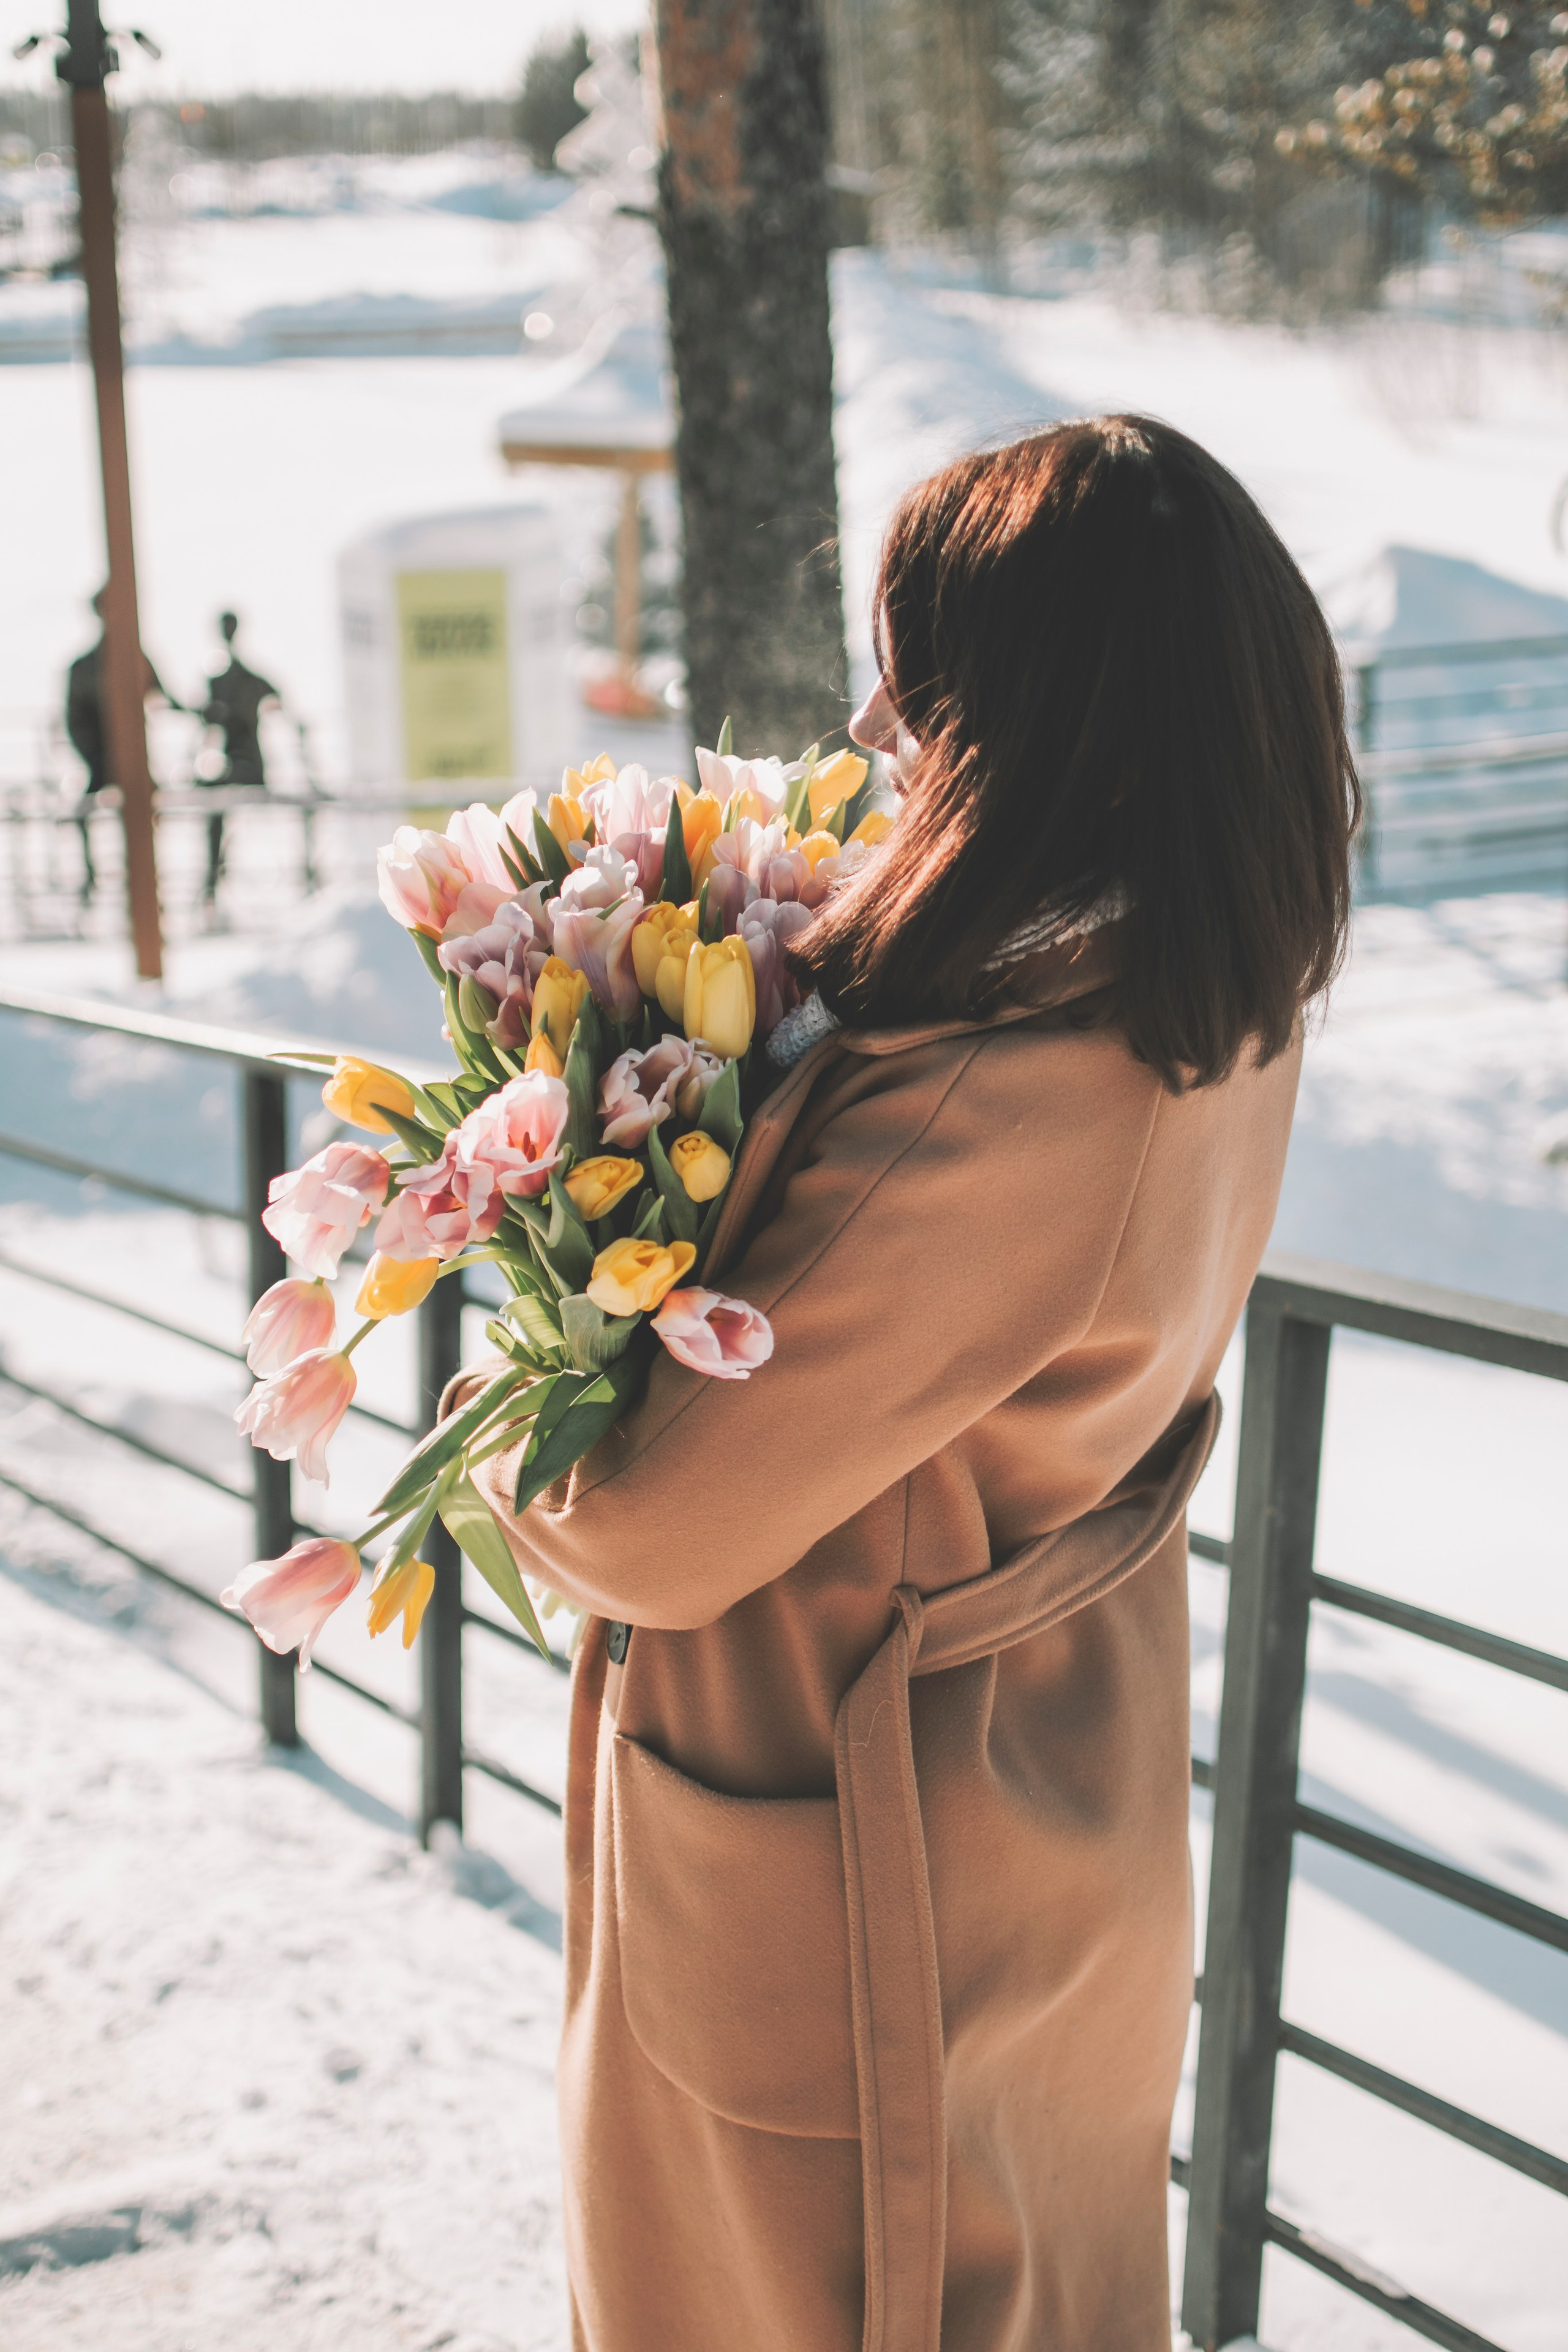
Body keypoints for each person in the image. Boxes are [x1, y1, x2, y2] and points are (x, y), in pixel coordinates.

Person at [458, 417, 1360, 2350]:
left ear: (1032, 704)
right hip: (1030, 1805)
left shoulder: (1005, 1089)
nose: (874, 721)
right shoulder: (1203, 998)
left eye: (917, 666)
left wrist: (518, 1334)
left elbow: (647, 1520)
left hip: (860, 1864)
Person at [64, 586, 180, 903]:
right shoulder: (84, 667)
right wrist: (94, 757)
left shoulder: (135, 657)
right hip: (101, 760)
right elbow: (74, 722)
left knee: (151, 811)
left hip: (135, 761)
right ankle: (93, 878)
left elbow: (168, 698)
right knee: (84, 813)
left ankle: (149, 878)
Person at [198, 610, 280, 909]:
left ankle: (211, 879)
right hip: (230, 764)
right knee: (210, 796)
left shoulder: (245, 679)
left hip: (248, 767)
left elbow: (276, 700)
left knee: (214, 798)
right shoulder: (223, 679)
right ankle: (211, 877)